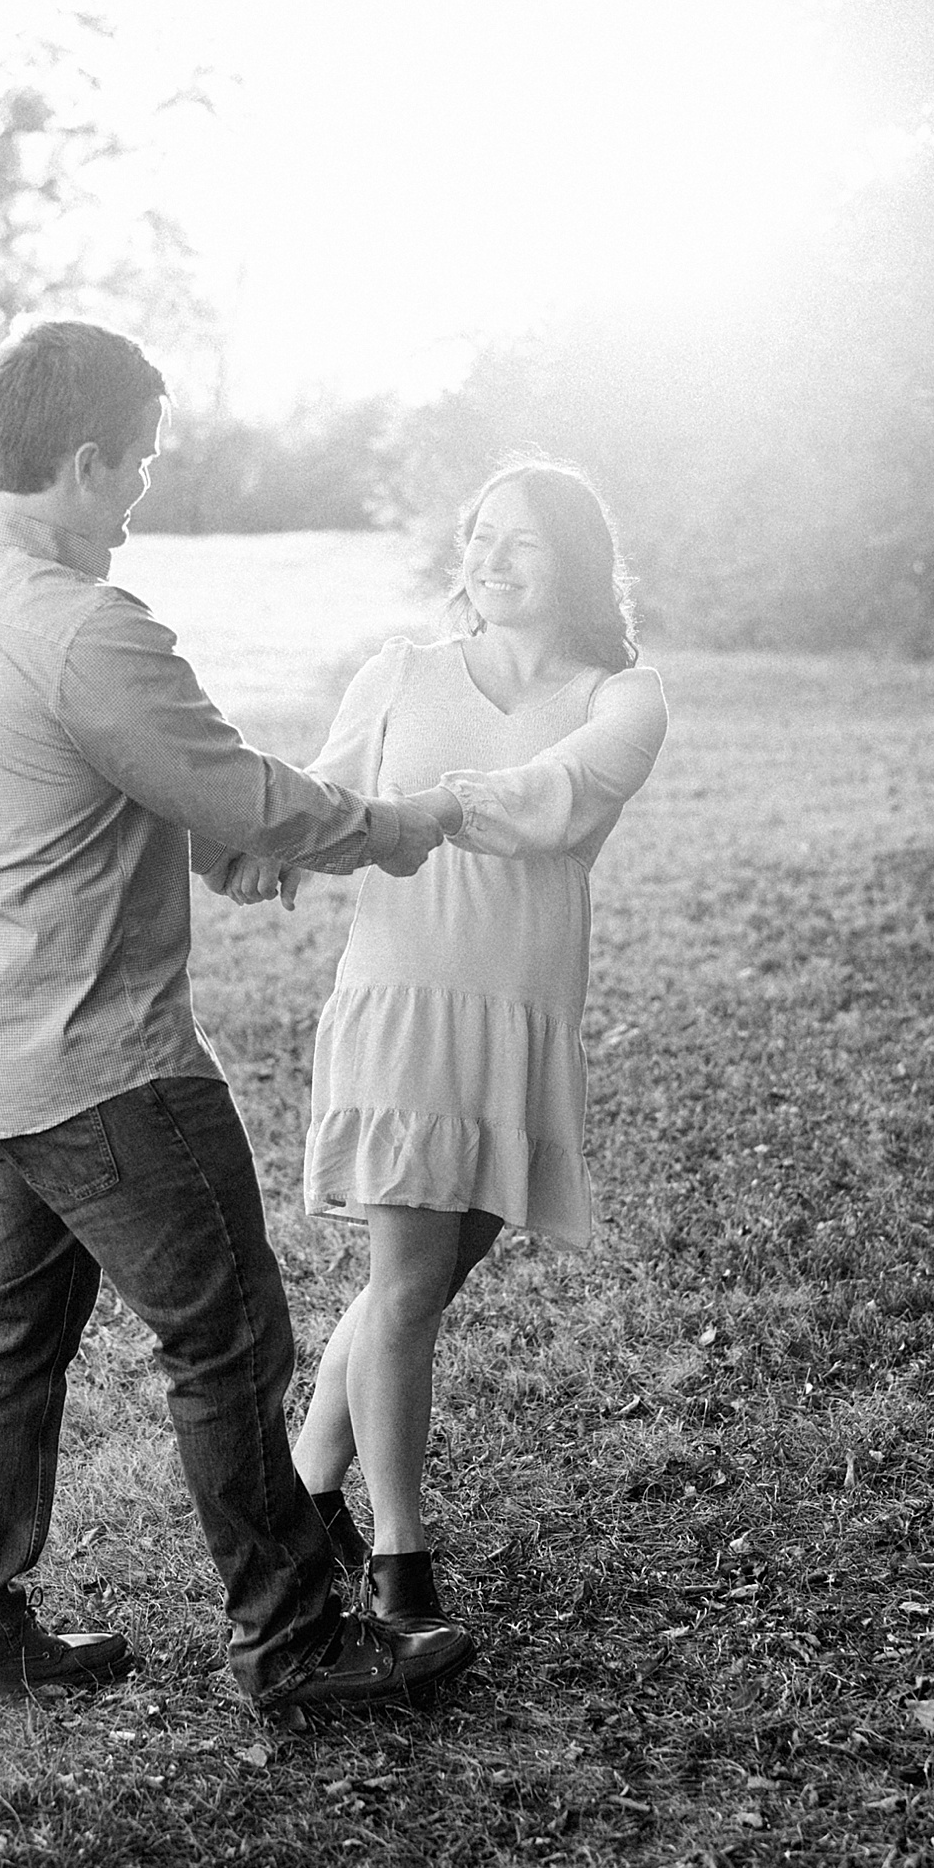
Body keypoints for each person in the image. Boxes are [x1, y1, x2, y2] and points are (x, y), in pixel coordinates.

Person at [0, 316, 477, 1720]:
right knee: (229, 1339)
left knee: (7, 1342)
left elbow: (58, 785)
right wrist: (388, 826)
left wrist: (211, 843)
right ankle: (296, 1641)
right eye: (138, 465)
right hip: (103, 1065)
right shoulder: (87, 625)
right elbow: (244, 791)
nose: (143, 494)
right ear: (85, 462)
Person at [222, 460, 667, 1635]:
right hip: (404, 1000)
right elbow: (326, 798)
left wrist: (433, 809)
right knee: (412, 1287)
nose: (491, 556)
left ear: (574, 559)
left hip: (515, 1013)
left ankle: (309, 1486)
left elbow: (559, 797)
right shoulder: (401, 672)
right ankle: (398, 1560)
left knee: (417, 1276)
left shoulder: (620, 698)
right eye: (479, 535)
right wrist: (273, 844)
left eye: (521, 541)